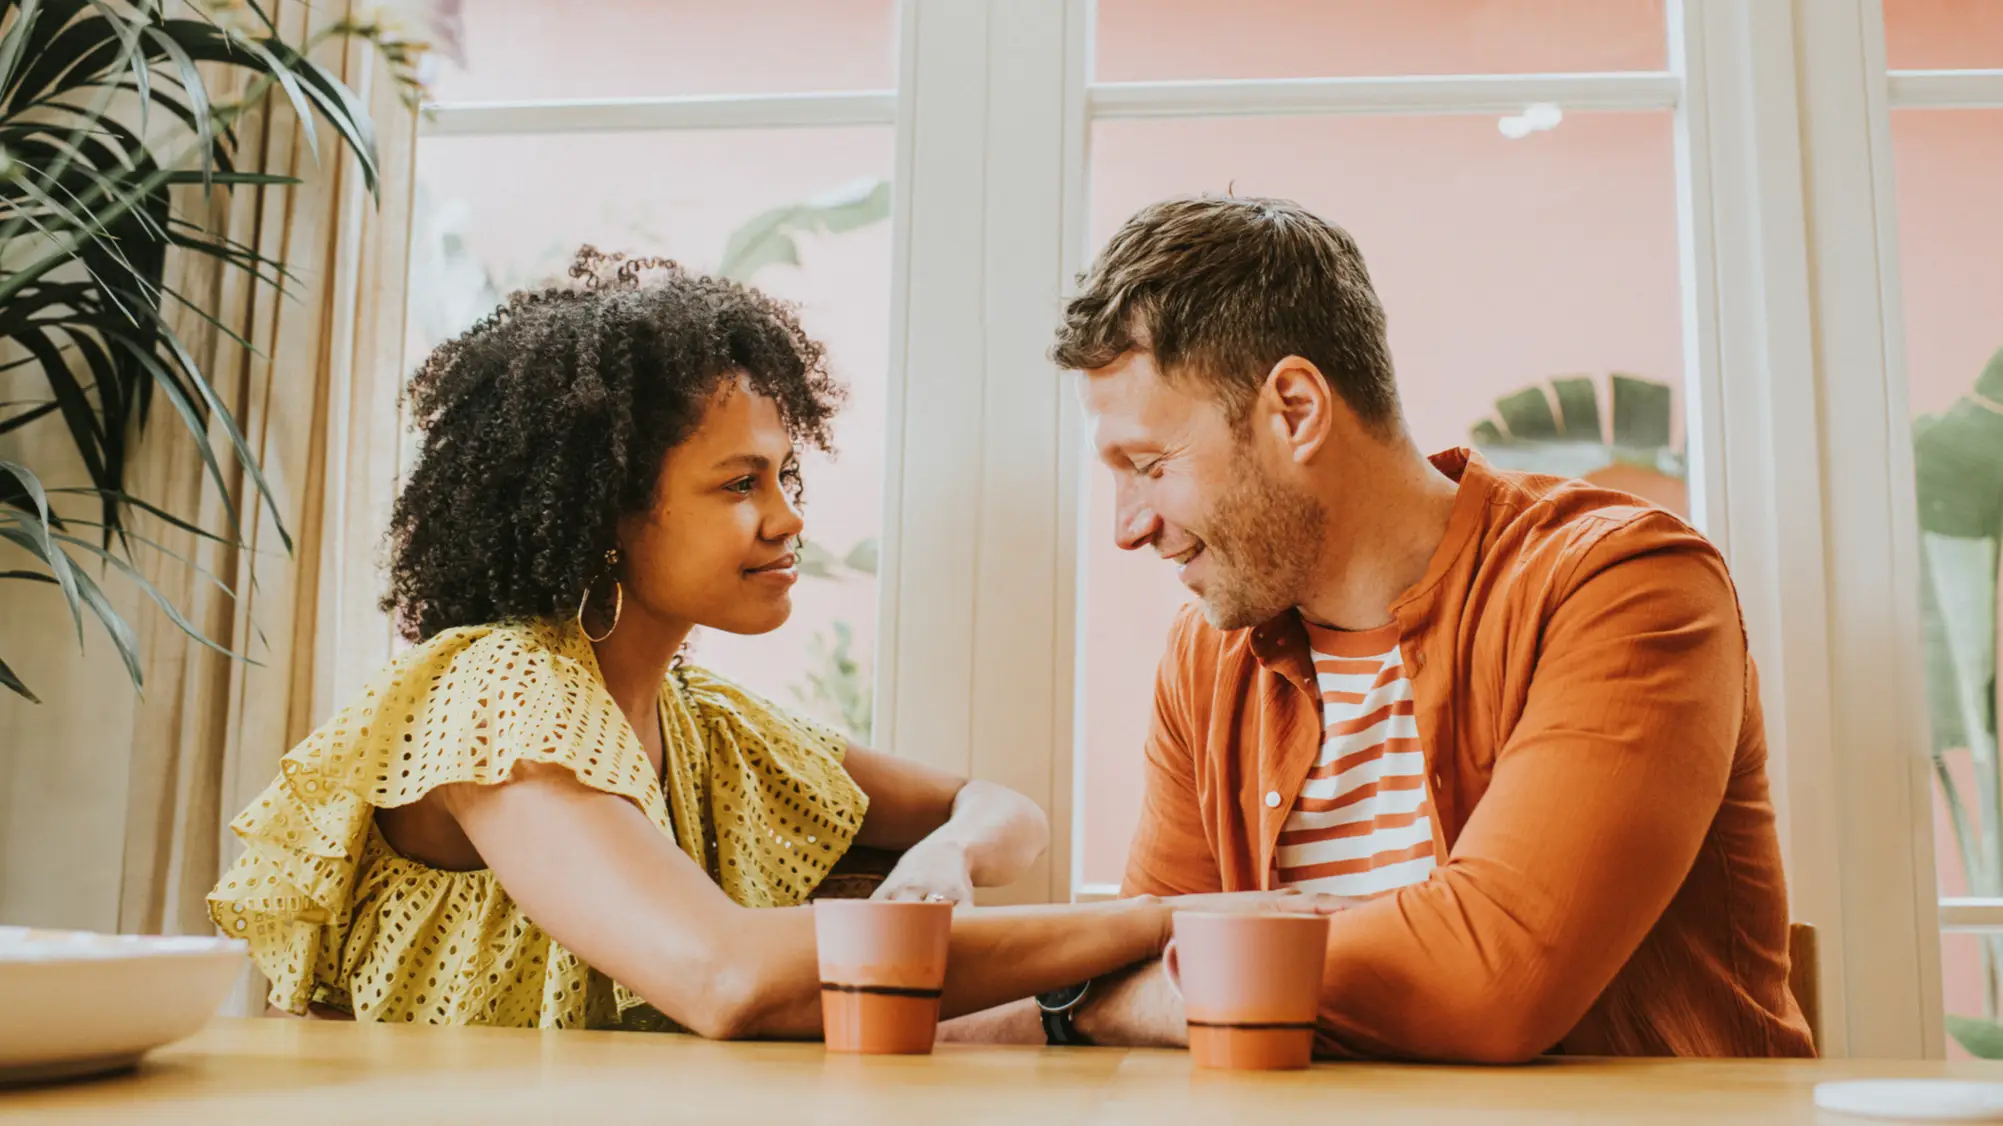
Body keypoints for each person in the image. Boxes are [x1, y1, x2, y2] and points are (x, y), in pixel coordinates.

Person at [207, 248, 1298, 1036]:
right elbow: (727, 978)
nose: (786, 517)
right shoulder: (500, 694)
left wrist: (944, 853)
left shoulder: (702, 722)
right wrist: (1162, 921)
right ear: (605, 511)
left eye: (785, 473)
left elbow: (1000, 807)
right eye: (738, 484)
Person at [945, 196, 1815, 1061]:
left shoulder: (1621, 584)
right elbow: (1135, 958)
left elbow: (1489, 979)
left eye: (1148, 465)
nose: (1127, 526)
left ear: (1295, 409)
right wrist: (1116, 995)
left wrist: (1094, 1007)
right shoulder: (1209, 655)